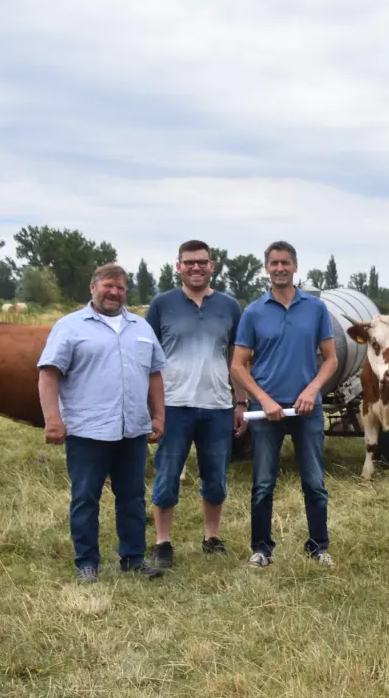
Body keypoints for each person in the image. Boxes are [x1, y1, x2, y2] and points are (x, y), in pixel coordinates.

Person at [37, 263, 167, 583]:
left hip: (132, 429)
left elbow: (154, 374)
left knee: (133, 497)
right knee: (85, 498)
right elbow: (48, 374)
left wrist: (159, 415)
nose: (115, 292)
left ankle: (133, 558)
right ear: (93, 288)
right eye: (108, 285)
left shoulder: (140, 327)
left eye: (121, 288)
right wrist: (53, 419)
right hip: (87, 431)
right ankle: (86, 563)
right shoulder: (70, 326)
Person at [229, 241, 338, 569]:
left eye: (285, 263)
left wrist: (312, 390)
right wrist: (262, 399)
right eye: (274, 263)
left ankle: (318, 547)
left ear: (295, 267)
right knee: (263, 482)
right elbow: (237, 365)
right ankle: (262, 549)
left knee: (315, 482)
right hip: (267, 410)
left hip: (307, 409)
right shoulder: (254, 312)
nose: (280, 268)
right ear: (267, 268)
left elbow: (331, 359)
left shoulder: (316, 309)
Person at [144, 239, 245, 569]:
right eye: (189, 262)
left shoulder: (230, 306)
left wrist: (240, 402)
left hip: (217, 406)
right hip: (173, 405)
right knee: (168, 474)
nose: (196, 267)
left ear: (212, 265)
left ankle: (211, 537)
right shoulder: (162, 305)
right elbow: (146, 356)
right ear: (179, 267)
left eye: (202, 261)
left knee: (215, 477)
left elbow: (238, 358)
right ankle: (162, 542)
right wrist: (150, 407)